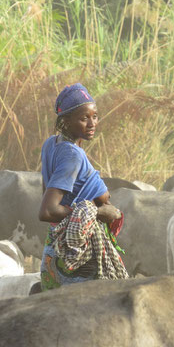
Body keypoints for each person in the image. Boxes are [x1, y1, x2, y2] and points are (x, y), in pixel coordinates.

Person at [38, 83, 128, 290]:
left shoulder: (51, 144)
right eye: (83, 118)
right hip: (78, 253)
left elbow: (48, 193)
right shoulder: (73, 155)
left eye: (94, 116)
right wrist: (97, 213)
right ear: (66, 121)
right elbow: (47, 210)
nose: (92, 123)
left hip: (56, 247)